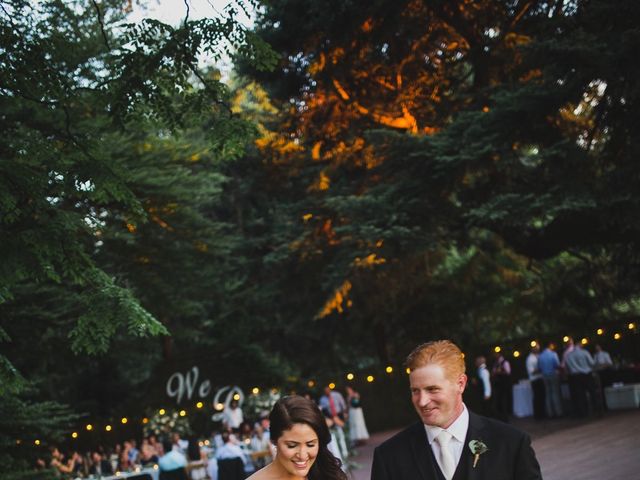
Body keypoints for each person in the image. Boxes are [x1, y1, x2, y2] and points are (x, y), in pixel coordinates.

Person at [371, 340, 542, 480]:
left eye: (432, 389)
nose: (422, 401)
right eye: (415, 391)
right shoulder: (389, 457)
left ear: (460, 384)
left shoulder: (511, 443)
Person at [247, 395, 347, 480]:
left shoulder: (326, 473)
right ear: (274, 440)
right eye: (292, 446)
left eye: (310, 444)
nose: (303, 455)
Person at [565, 343, 600, 417]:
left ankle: (583, 412)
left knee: (580, 395)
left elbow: (568, 368)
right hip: (587, 374)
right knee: (592, 392)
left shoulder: (568, 355)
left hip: (576, 376)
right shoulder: (585, 352)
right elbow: (592, 363)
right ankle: (597, 409)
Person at [318, 386, 349, 460]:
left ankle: (345, 452)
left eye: (328, 390)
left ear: (329, 389)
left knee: (341, 434)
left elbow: (342, 404)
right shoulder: (322, 399)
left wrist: (345, 413)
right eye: (325, 391)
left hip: (339, 415)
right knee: (334, 435)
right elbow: (323, 410)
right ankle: (337, 452)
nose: (327, 392)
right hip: (330, 417)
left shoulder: (337, 395)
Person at [538, 342, 563, 418]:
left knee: (548, 394)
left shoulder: (540, 356)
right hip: (553, 375)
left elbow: (539, 368)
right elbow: (557, 365)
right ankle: (558, 412)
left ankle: (550, 413)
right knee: (555, 393)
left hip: (545, 376)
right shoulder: (553, 354)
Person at [491, 351, 512, 423]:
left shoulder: (505, 362)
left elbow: (508, 372)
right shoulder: (496, 363)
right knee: (499, 401)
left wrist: (499, 372)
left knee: (504, 401)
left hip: (504, 385)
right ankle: (500, 417)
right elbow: (493, 372)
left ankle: (505, 418)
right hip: (498, 385)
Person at [526, 344, 546, 419]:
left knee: (541, 397)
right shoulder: (530, 359)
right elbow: (531, 371)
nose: (538, 350)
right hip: (535, 380)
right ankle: (538, 415)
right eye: (536, 349)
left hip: (539, 379)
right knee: (537, 398)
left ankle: (541, 414)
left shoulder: (537, 357)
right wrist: (541, 368)